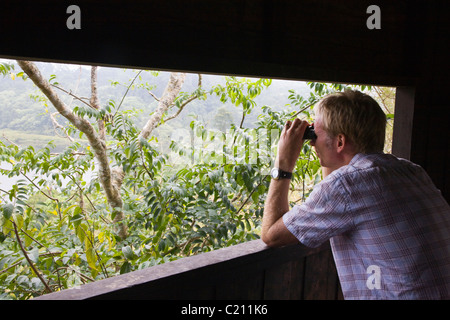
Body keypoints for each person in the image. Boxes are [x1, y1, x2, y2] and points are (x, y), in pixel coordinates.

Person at [261, 90, 450, 299]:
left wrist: (283, 162)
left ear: (340, 142)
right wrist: (327, 146)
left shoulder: (347, 186)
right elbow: (337, 186)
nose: (312, 142)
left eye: (316, 134)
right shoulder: (411, 170)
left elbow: (271, 234)